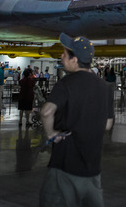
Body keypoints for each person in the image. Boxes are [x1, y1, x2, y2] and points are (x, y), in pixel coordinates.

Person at [40, 33, 114, 207]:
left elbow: (46, 112)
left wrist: (51, 133)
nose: (61, 56)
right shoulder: (105, 87)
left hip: (64, 166)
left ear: (75, 60)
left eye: (64, 54)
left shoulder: (66, 83)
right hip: (93, 169)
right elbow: (108, 124)